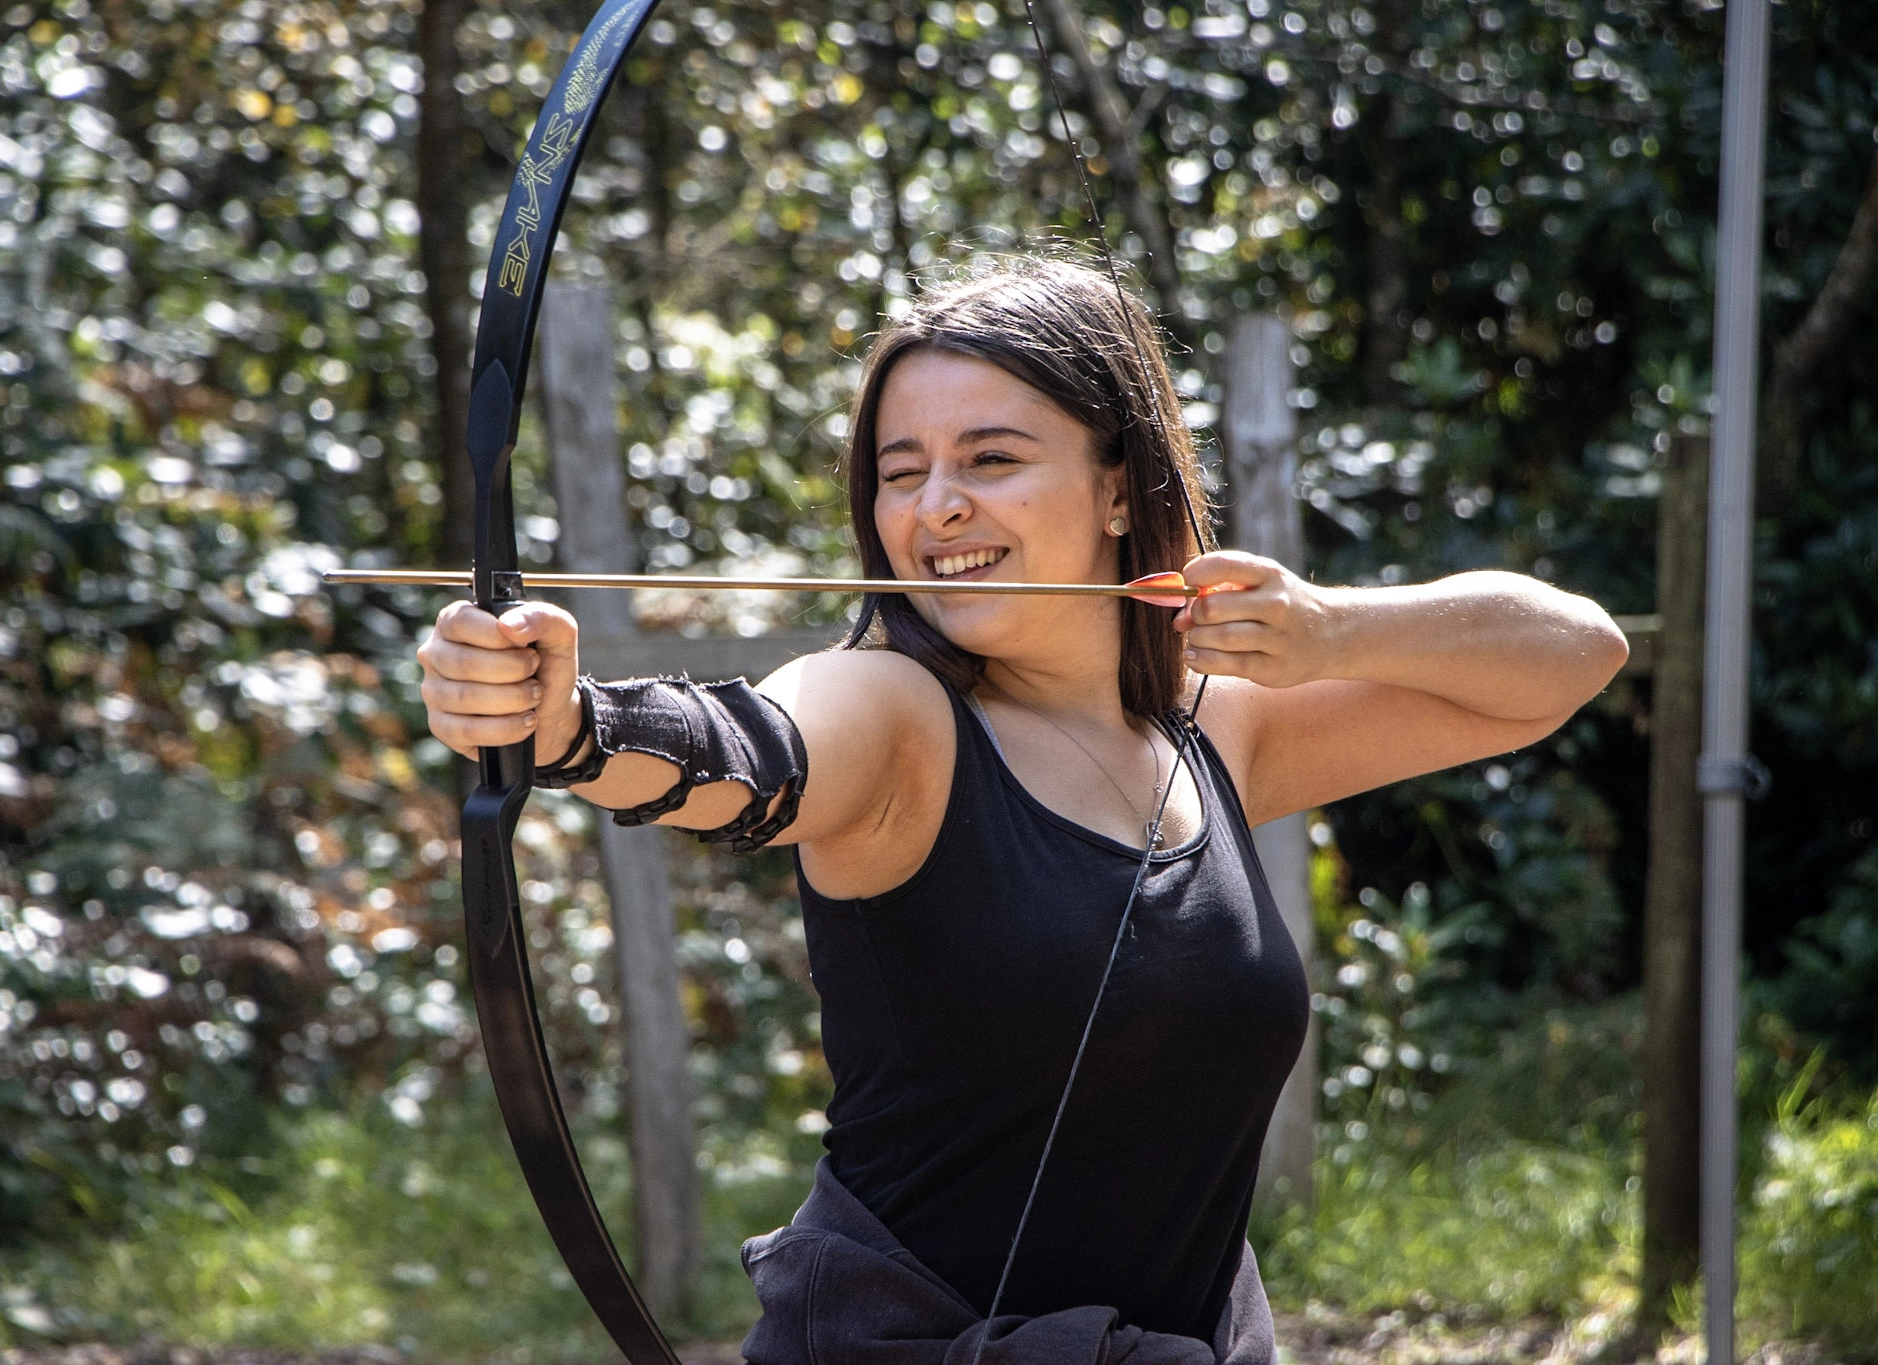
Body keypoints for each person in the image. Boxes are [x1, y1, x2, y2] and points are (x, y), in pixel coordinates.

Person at [416, 257, 1629, 1364]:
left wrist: (1331, 629)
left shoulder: (1216, 729)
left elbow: (1569, 657)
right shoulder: (891, 713)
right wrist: (564, 724)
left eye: (990, 459)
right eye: (902, 473)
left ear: (1117, 490)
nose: (935, 506)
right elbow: (751, 753)